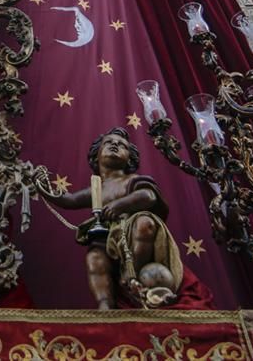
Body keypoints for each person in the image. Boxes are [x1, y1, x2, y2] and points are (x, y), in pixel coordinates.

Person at [43, 128, 204, 309]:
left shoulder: (132, 180)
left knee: (144, 223)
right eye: (109, 142)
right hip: (107, 237)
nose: (115, 145)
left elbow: (148, 196)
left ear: (130, 159)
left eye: (122, 145)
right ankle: (105, 303)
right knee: (95, 258)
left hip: (131, 230)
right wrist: (43, 187)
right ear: (96, 155)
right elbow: (69, 200)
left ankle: (132, 275)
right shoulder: (97, 189)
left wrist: (120, 205)